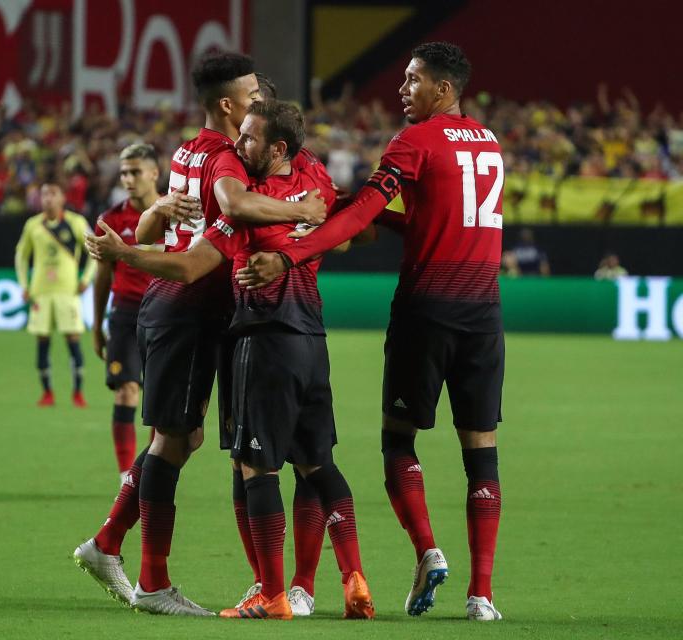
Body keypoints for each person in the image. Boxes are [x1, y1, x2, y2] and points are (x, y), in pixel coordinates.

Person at [236, 42, 506, 622]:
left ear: (443, 89)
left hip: (427, 311)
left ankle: (427, 548)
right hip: (484, 315)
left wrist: (292, 254)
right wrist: (352, 202)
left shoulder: (412, 141)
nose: (402, 89)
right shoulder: (487, 141)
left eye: (413, 80)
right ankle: (482, 597)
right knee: (481, 453)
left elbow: (361, 220)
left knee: (398, 442)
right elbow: (425, 221)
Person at [87, 100, 376, 621]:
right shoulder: (316, 181)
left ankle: (271, 594)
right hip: (313, 337)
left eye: (248, 137)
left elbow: (192, 265)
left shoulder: (244, 209)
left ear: (277, 148)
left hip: (262, 341)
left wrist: (126, 254)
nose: (237, 145)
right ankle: (354, 577)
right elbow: (357, 229)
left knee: (253, 466)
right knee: (318, 464)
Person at [91, 143, 162, 484]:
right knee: (126, 390)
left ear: (154, 173)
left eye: (135, 171)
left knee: (160, 398)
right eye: (123, 173)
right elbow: (103, 274)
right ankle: (126, 475)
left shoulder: (174, 213)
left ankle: (153, 469)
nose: (128, 179)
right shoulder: (111, 220)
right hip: (125, 313)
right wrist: (96, 325)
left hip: (166, 312)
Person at [15, 183, 96, 408]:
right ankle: (47, 392)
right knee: (42, 342)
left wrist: (86, 279)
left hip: (67, 292)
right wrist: (24, 284)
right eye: (44, 195)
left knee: (73, 341)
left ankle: (78, 392)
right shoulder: (33, 225)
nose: (48, 199)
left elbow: (95, 251)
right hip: (40, 293)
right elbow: (21, 257)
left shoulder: (76, 222)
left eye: (52, 194)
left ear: (62, 198)